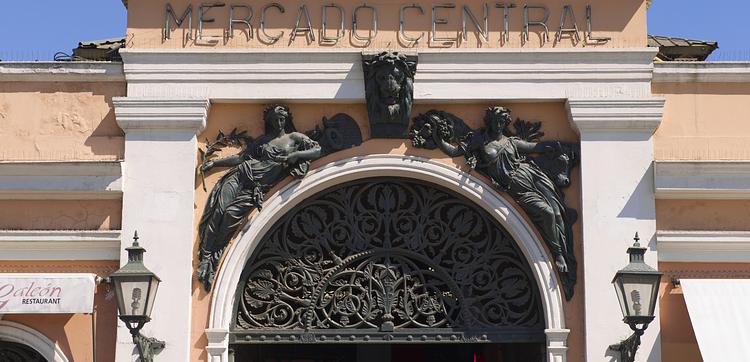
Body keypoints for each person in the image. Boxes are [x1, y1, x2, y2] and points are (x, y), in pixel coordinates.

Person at [430, 106, 573, 275]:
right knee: (547, 212)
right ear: (489, 122)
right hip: (517, 189)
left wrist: (557, 147)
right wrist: (437, 137)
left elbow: (536, 148)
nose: (498, 125)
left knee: (557, 212)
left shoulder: (512, 142)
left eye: (501, 122)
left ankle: (561, 253)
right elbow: (454, 151)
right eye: (495, 121)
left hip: (532, 177)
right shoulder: (479, 140)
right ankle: (558, 254)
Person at [197, 105, 322, 290]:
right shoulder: (263, 141)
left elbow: (317, 150)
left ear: (286, 119)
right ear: (270, 121)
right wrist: (215, 163)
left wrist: (295, 155)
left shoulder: (295, 138)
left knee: (230, 215)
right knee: (217, 213)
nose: (279, 123)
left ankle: (216, 252)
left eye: (282, 119)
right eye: (275, 120)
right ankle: (206, 258)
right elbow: (241, 158)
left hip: (255, 188)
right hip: (240, 175)